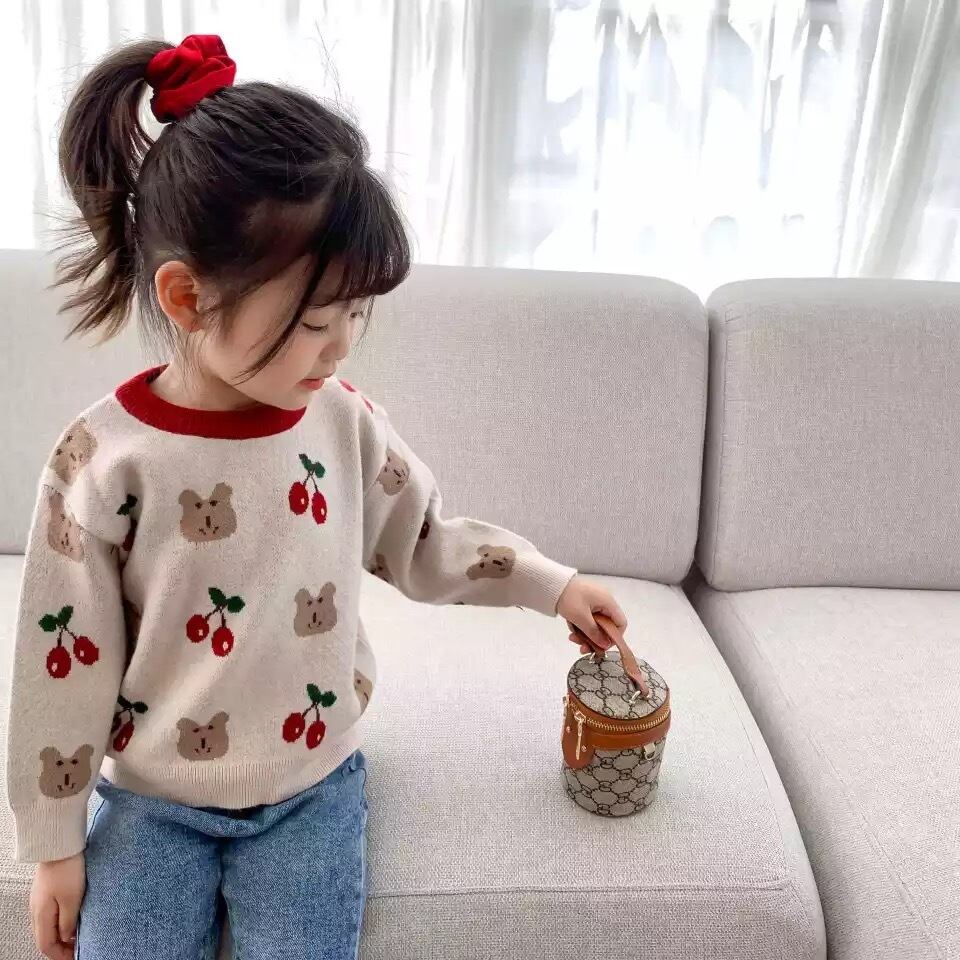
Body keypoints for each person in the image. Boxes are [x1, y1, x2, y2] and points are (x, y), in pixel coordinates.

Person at [5, 34, 628, 960]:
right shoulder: (101, 462)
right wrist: (53, 847)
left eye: (355, 315)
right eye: (316, 321)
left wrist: (552, 584)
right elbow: (61, 664)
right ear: (186, 297)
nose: (340, 347)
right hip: (150, 802)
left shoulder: (342, 422)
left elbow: (426, 541)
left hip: (311, 790)